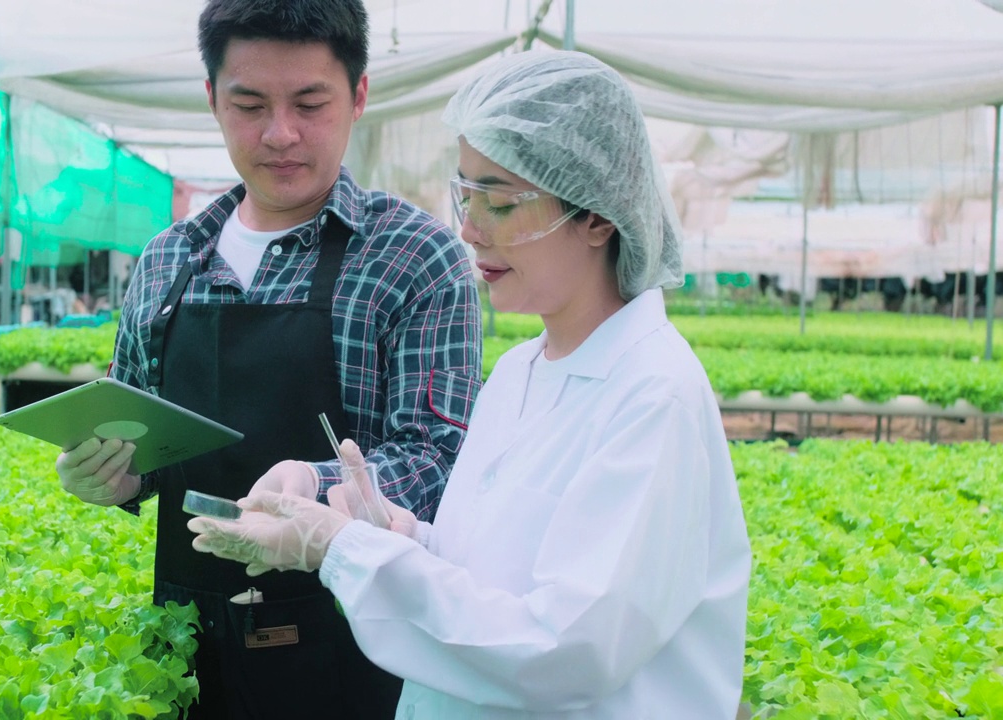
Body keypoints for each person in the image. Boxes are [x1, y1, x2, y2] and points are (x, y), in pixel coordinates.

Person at [188, 51, 752, 719]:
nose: (469, 228)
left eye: (502, 202)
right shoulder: (519, 372)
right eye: (465, 194)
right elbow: (490, 577)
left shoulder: (653, 398)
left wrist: (341, 548)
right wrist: (393, 534)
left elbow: (563, 652)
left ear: (599, 217)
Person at [53, 0, 483, 717]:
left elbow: (440, 459)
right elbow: (142, 441)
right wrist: (111, 476)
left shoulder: (414, 256)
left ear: (359, 97)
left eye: (309, 103)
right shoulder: (168, 261)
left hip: (355, 645)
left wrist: (313, 488)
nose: (280, 134)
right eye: (249, 103)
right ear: (213, 100)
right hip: (192, 638)